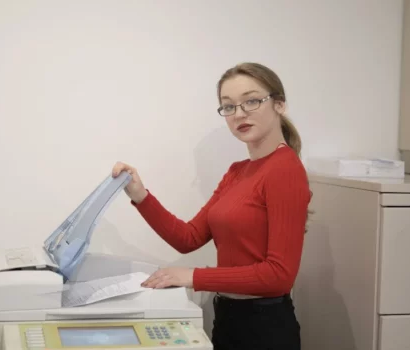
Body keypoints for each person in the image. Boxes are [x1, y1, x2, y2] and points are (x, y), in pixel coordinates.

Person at [111, 62, 311, 350]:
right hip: (229, 316)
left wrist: (192, 276)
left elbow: (278, 276)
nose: (239, 113)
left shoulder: (284, 169)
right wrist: (140, 195)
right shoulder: (237, 171)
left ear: (279, 104)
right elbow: (188, 237)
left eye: (251, 101)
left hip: (264, 326)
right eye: (228, 106)